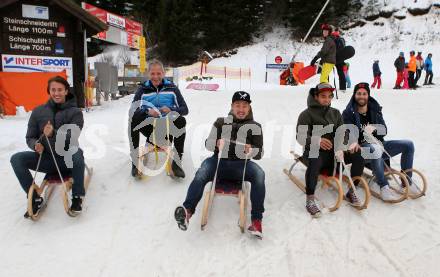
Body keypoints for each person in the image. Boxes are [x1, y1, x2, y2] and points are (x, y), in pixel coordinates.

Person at [174, 91, 265, 238]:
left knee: (259, 174)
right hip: (218, 163)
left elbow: (260, 153)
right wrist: (216, 143)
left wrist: (252, 150)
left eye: (244, 106)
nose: (241, 109)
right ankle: (187, 211)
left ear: (249, 108)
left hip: (241, 166)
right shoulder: (221, 122)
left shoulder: (255, 127)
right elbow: (208, 144)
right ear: (232, 106)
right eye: (237, 105)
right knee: (202, 171)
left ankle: (257, 220)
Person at [10, 76, 85, 217]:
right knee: (16, 158)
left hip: (68, 159)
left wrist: (53, 134)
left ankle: (77, 197)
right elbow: (30, 137)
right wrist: (35, 145)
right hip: (47, 160)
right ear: (49, 91)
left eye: (60, 90)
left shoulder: (75, 112)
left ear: (66, 91)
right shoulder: (38, 112)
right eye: (53, 90)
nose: (56, 93)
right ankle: (35, 198)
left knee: (77, 153)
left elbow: (73, 137)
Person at [296, 83, 365, 217]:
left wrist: (349, 144)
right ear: (316, 96)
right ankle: (310, 199)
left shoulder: (335, 113)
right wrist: (318, 140)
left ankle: (352, 191)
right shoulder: (306, 114)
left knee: (358, 154)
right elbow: (300, 137)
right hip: (314, 152)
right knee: (315, 159)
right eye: (323, 96)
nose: (326, 99)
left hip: (334, 153)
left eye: (329, 96)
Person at [342, 82, 418, 200]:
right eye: (359, 93)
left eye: (364, 93)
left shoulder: (375, 109)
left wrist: (375, 128)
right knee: (375, 149)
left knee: (408, 145)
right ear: (354, 95)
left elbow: (384, 130)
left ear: (368, 95)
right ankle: (383, 186)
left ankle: (406, 181)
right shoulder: (348, 112)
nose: (361, 96)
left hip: (379, 145)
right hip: (361, 150)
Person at [128, 59, 188, 178]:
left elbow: (185, 109)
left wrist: (171, 109)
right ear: (148, 74)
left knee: (181, 120)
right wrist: (147, 111)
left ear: (163, 73)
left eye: (158, 73)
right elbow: (132, 110)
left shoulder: (172, 88)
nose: (156, 77)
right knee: (133, 120)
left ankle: (177, 163)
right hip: (149, 129)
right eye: (153, 73)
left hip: (167, 129)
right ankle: (135, 161)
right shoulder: (142, 90)